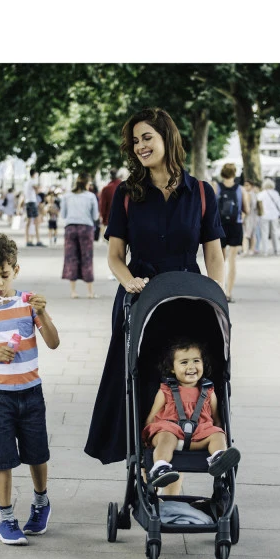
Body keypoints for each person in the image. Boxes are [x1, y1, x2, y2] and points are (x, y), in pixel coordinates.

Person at [84, 106, 225, 468]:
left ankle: (185, 454)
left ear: (168, 138)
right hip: (140, 298)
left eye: (147, 137)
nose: (140, 146)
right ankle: (150, 465)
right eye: (135, 141)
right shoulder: (127, 194)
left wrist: (217, 297)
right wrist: (128, 280)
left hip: (188, 299)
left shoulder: (202, 193)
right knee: (141, 379)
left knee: (187, 375)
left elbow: (214, 254)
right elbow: (115, 256)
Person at [0, 233, 60, 545]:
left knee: (37, 453)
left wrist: (42, 312)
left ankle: (41, 503)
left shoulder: (28, 305)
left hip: (31, 392)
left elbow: (53, 342)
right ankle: (5, 519)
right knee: (2, 457)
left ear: (16, 270)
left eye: (4, 275)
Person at [143, 337, 241, 489]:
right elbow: (152, 416)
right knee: (166, 435)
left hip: (198, 437)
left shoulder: (208, 391)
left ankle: (218, 457)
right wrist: (145, 438)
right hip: (170, 433)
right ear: (172, 368)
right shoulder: (166, 390)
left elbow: (216, 419)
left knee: (217, 433)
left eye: (196, 361)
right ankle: (160, 467)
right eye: (184, 362)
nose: (191, 366)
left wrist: (220, 435)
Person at [61, 173, 100, 299]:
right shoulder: (91, 196)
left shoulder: (67, 196)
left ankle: (73, 291)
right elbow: (95, 216)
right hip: (86, 228)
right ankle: (90, 291)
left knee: (71, 258)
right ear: (87, 184)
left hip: (70, 228)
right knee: (87, 257)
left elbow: (63, 214)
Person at [217, 163, 247, 303]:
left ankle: (220, 291)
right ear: (234, 174)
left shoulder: (216, 187)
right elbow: (246, 209)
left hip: (220, 226)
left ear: (222, 173)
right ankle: (229, 293)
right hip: (236, 225)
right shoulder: (241, 189)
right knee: (232, 260)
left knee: (219, 260)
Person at [257, 178, 280, 256]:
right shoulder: (275, 193)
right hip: (274, 215)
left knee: (264, 233)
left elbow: (259, 206)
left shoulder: (261, 194)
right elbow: (279, 204)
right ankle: (277, 250)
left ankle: (265, 251)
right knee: (275, 232)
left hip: (264, 215)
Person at [98, 168, 121, 242]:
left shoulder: (106, 189)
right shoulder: (125, 187)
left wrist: (103, 219)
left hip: (110, 221)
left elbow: (102, 206)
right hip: (126, 221)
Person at [22, 169, 43, 247]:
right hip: (32, 202)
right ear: (34, 174)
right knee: (36, 221)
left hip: (28, 202)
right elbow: (37, 189)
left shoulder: (27, 182)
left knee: (29, 221)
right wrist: (39, 187)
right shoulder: (32, 181)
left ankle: (28, 240)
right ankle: (38, 240)